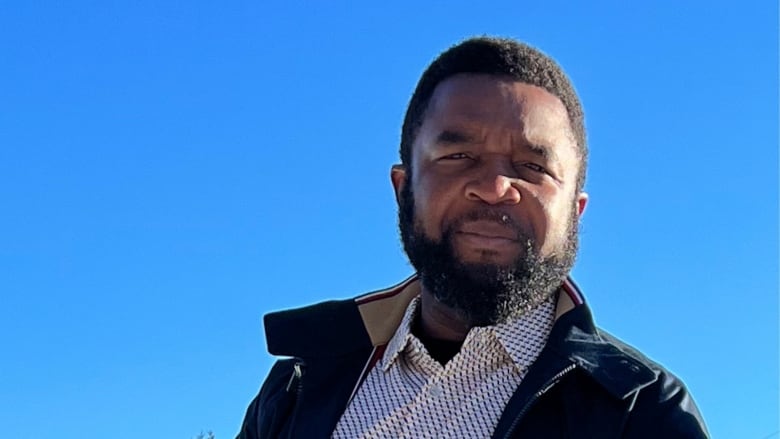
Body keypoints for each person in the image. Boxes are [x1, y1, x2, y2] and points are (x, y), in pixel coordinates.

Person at [236, 36, 709, 438]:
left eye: (532, 166)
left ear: (575, 212)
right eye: (458, 156)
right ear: (405, 190)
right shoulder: (298, 387)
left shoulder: (644, 412)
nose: (495, 188)